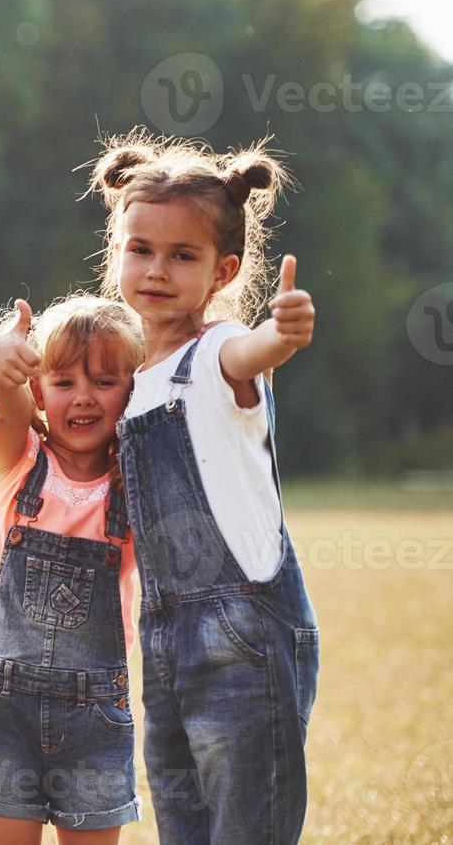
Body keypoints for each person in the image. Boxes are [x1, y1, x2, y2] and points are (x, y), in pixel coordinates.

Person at [91, 131, 319, 843]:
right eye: (141, 250)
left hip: (242, 633)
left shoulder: (218, 353)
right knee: (183, 824)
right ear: (117, 252)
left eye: (181, 256)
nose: (157, 270)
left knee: (247, 827)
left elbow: (257, 351)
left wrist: (282, 333)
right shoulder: (124, 383)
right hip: (162, 642)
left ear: (221, 272)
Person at [0, 294, 144, 842]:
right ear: (39, 391)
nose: (83, 398)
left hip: (95, 717)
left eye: (105, 382)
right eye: (64, 383)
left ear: (132, 391)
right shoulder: (19, 461)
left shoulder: (135, 486)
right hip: (1, 710)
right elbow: (5, 401)